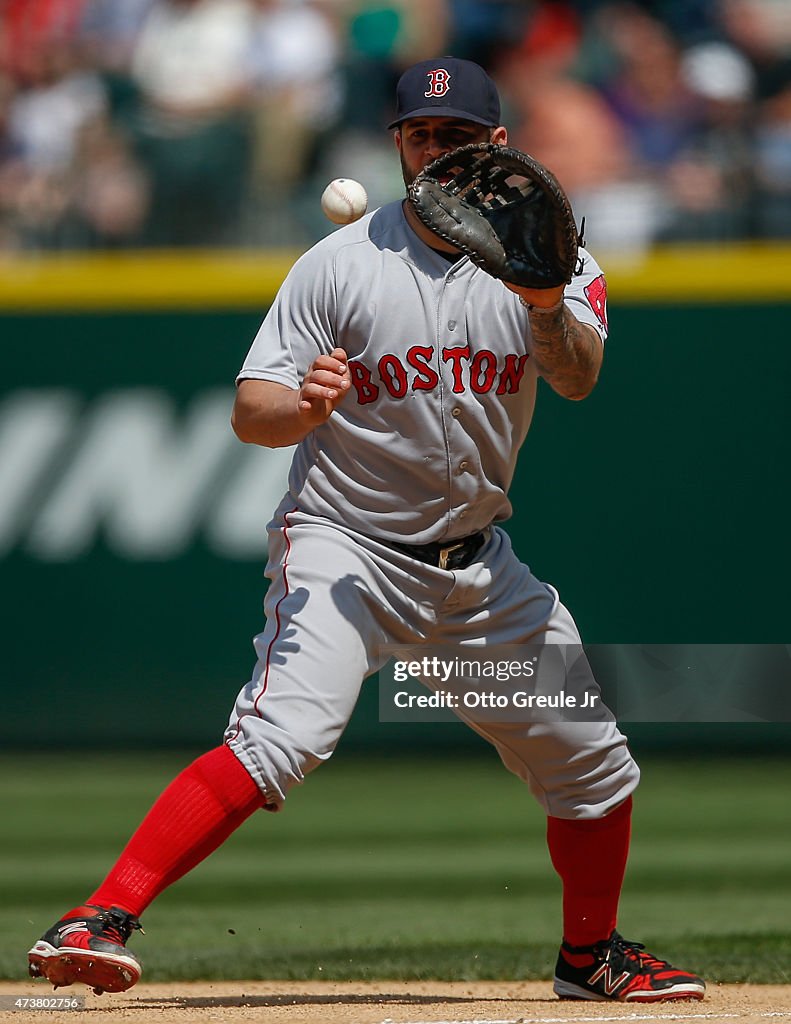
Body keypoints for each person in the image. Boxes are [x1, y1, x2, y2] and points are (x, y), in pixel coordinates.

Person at [27, 56, 706, 1004]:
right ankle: (100, 915)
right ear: (397, 146)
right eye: (421, 134)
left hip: (477, 573)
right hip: (348, 549)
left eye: (457, 135)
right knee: (281, 737)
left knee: (592, 764)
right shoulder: (339, 263)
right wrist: (302, 408)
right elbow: (251, 410)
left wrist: (547, 305)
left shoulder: (557, 257)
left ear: (497, 147)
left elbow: (577, 378)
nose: (437, 148)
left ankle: (590, 958)